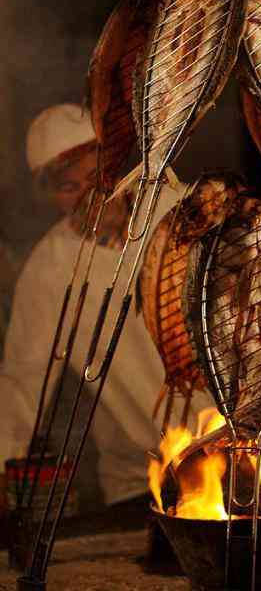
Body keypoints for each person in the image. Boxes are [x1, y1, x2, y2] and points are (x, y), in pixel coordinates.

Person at [0, 104, 209, 513]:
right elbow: (24, 383)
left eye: (99, 176)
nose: (92, 195)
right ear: (48, 196)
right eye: (68, 186)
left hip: (244, 454)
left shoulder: (189, 214)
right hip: (142, 480)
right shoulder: (49, 268)